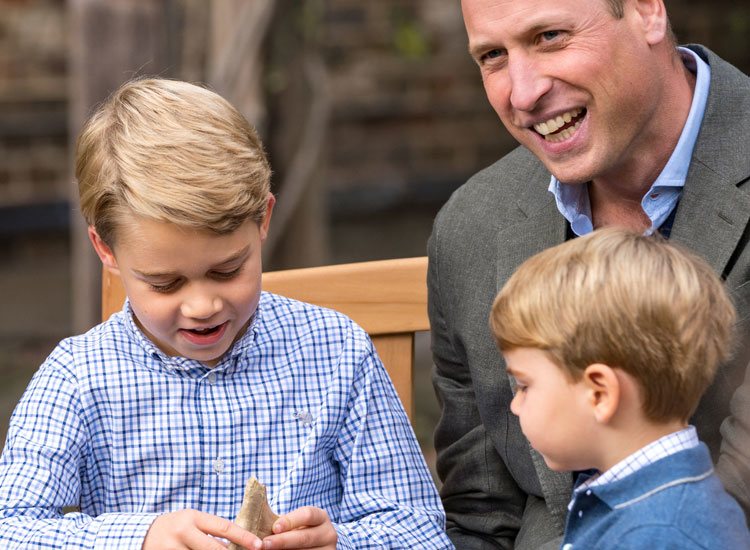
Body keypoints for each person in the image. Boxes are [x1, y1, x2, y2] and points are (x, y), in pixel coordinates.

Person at [0, 78, 452, 550]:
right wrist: (141, 536)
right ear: (105, 249)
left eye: (227, 270)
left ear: (263, 220)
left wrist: (342, 543)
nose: (203, 306)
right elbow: (10, 528)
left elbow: (419, 528)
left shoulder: (335, 349)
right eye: (164, 283)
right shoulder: (77, 378)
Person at [428, 0, 750, 547]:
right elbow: (484, 516)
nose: (523, 93)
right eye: (492, 56)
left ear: (648, 11)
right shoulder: (472, 227)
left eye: (550, 36)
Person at [490, 228, 750, 549]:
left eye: (524, 384)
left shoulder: (659, 535)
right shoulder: (648, 503)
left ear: (600, 393)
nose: (515, 405)